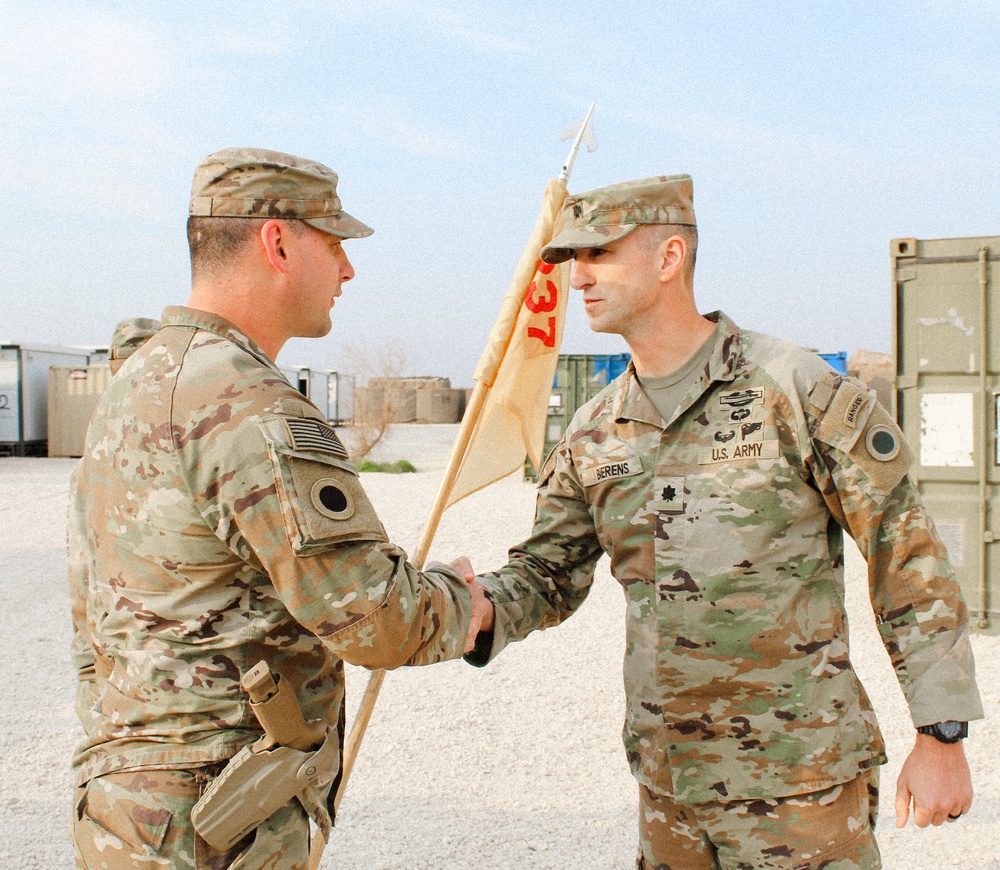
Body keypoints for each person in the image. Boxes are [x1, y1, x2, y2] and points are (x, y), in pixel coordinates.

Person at [466, 175, 984, 869]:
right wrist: (474, 608)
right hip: (668, 789)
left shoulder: (794, 389)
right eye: (571, 262)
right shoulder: (594, 431)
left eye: (598, 255)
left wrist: (940, 733)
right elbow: (547, 574)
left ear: (669, 257)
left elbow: (905, 551)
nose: (579, 278)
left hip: (802, 787)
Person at [68, 147, 490, 869]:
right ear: (278, 240)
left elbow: (93, 620)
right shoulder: (246, 406)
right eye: (335, 245)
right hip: (212, 820)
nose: (348, 271)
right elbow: (376, 621)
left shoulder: (140, 378)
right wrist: (466, 604)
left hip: (131, 805)